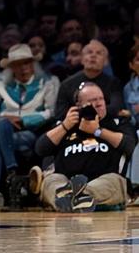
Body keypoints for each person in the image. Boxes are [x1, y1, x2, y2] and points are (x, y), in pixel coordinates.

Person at [0, 43, 60, 207]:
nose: (23, 68)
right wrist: (2, 118)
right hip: (3, 129)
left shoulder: (49, 82)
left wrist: (24, 120)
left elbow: (51, 112)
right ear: (10, 68)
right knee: (1, 125)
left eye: (27, 63)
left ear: (33, 63)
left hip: (31, 132)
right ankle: (12, 172)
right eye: (17, 64)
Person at [35, 82, 135, 212]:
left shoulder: (117, 122)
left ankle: (72, 196)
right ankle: (75, 198)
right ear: (79, 106)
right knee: (51, 180)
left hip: (103, 181)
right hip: (65, 180)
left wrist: (98, 131)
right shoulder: (66, 124)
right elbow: (40, 149)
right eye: (92, 100)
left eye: (101, 99)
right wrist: (65, 126)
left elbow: (131, 146)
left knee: (115, 181)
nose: (99, 103)